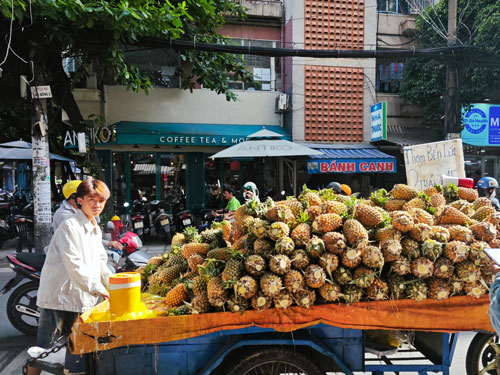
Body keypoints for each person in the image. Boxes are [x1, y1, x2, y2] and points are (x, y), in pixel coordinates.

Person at [29, 178, 113, 375]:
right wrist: (99, 289)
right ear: (79, 200)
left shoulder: (94, 227)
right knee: (42, 350)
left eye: (101, 200)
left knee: (74, 350)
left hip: (80, 297)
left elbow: (101, 263)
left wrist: (114, 284)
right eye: (91, 199)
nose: (96, 205)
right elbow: (74, 265)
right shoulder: (70, 226)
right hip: (58, 298)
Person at [54, 180, 121, 250]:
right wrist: (107, 243)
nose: (97, 204)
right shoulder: (64, 216)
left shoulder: (82, 211)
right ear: (74, 197)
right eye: (90, 198)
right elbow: (83, 238)